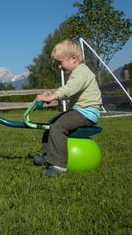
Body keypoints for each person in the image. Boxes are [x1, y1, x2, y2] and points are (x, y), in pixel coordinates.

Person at [34, 39, 102, 176]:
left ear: (73, 59)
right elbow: (67, 91)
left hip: (87, 112)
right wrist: (49, 95)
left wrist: (50, 98)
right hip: (80, 111)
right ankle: (48, 155)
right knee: (51, 123)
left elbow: (69, 89)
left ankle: (59, 166)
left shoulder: (82, 72)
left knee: (58, 127)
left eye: (60, 62)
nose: (59, 66)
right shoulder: (77, 73)